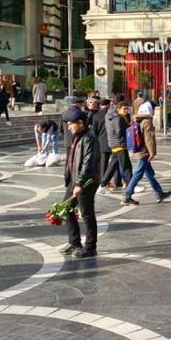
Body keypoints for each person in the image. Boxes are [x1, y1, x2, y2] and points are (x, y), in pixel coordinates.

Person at [60, 107, 100, 259]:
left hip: (86, 182)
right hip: (75, 181)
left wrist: (80, 184)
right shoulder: (77, 136)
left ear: (81, 123)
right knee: (66, 209)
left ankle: (90, 247)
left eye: (71, 123)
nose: (68, 126)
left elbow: (88, 164)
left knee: (87, 214)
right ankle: (74, 242)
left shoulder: (89, 138)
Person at [122, 102, 171, 206]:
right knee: (138, 174)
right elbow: (149, 138)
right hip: (144, 152)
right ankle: (127, 195)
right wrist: (152, 152)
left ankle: (159, 192)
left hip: (138, 149)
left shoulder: (137, 120)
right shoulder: (147, 122)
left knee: (149, 174)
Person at [100, 101, 133, 191]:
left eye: (127, 108)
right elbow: (119, 131)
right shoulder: (118, 118)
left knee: (113, 165)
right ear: (119, 108)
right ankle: (131, 185)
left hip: (114, 143)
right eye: (124, 108)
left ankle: (103, 183)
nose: (126, 110)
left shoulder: (110, 116)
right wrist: (125, 143)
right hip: (120, 144)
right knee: (126, 166)